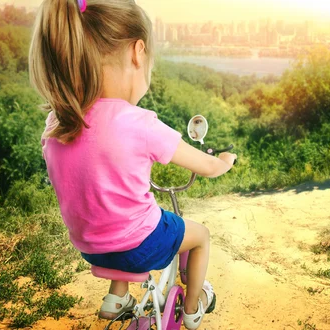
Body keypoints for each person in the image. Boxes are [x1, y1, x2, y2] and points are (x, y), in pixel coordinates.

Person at [28, 0, 237, 328]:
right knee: (199, 235)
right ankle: (194, 308)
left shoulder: (57, 121)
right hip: (140, 246)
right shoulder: (137, 122)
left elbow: (82, 172)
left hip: (90, 247)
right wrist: (225, 160)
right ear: (138, 53)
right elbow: (207, 167)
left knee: (116, 216)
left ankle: (117, 297)